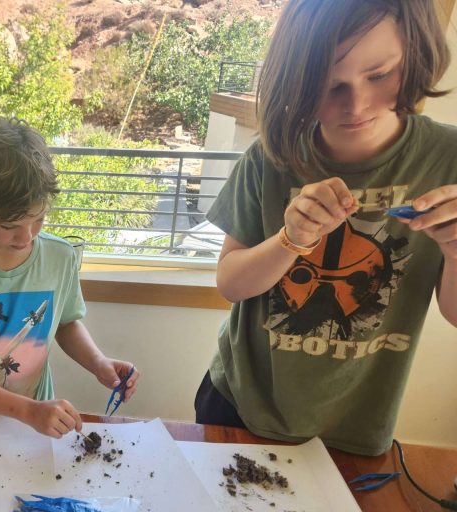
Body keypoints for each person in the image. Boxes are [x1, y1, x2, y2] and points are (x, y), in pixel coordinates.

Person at [195, 0, 457, 456]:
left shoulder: (447, 159)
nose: (356, 104)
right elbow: (230, 284)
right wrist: (289, 240)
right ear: (295, 84)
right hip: (240, 405)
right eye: (329, 85)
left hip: (357, 423)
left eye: (378, 75)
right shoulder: (270, 157)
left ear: (414, 54)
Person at [0, 118, 139, 438]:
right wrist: (25, 409)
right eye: (8, 226)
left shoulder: (61, 257)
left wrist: (97, 362)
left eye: (39, 219)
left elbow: (64, 322)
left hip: (31, 415)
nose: (26, 237)